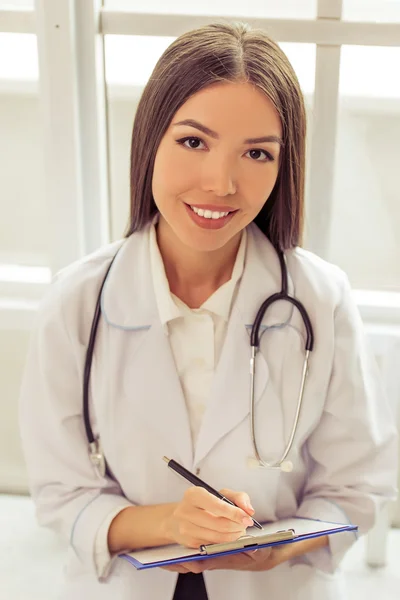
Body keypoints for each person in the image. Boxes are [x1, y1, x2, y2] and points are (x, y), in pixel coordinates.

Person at [19, 21, 397, 600]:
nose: (222, 182)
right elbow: (62, 495)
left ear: (283, 165)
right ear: (150, 140)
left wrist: (275, 545)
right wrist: (171, 524)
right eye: (194, 141)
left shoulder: (321, 299)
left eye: (256, 153)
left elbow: (357, 490)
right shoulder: (77, 304)